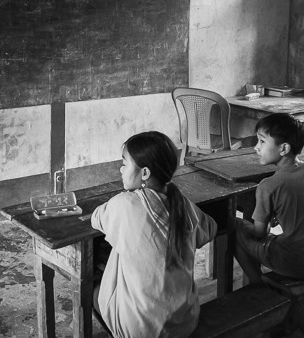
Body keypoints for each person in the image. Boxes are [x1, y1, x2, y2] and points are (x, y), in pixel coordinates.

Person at [91, 131, 217, 338]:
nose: (121, 169)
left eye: (125, 163)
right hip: (184, 322)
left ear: (145, 173)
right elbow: (210, 229)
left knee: (92, 278)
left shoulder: (124, 205)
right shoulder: (182, 203)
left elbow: (96, 218)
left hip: (141, 330)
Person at [233, 113, 304, 286]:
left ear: (283, 148)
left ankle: (257, 286)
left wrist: (264, 220)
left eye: (262, 141)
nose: (256, 147)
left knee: (235, 227)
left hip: (301, 264)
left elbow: (259, 234)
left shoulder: (269, 185)